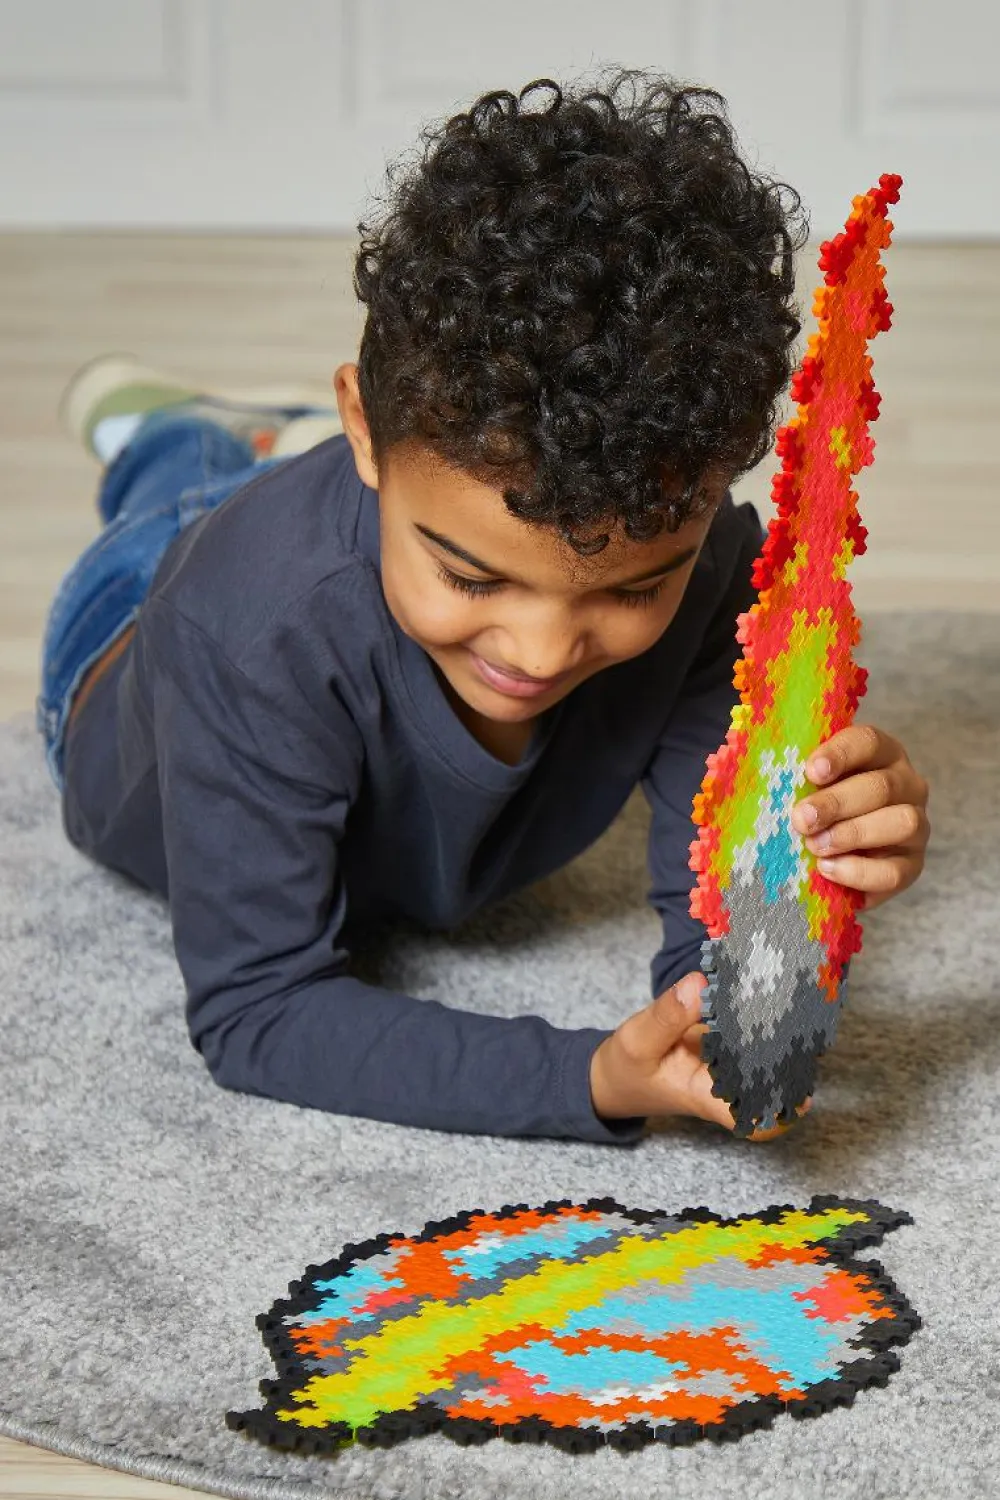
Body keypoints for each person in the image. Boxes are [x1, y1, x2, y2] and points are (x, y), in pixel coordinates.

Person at [36, 70, 930, 1148]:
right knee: (181, 489)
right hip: (124, 618)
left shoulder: (716, 584)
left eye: (631, 587)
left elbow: (723, 937)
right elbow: (259, 1010)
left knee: (359, 526)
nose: (542, 650)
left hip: (351, 526)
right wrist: (588, 1078)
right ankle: (169, 435)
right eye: (471, 578)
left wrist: (805, 893)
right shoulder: (244, 629)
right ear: (366, 429)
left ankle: (280, 464)